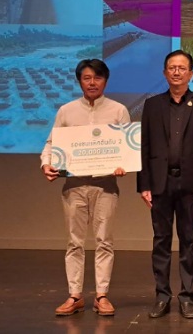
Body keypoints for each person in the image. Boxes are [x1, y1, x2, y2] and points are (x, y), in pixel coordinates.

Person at [40, 58, 131, 316]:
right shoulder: (66, 111)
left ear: (106, 81)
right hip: (74, 185)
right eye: (87, 78)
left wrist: (123, 164)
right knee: (74, 242)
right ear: (79, 81)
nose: (92, 83)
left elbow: (127, 148)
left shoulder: (118, 110)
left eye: (97, 78)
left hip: (106, 185)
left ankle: (101, 296)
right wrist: (46, 163)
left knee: (104, 241)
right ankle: (75, 295)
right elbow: (51, 143)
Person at [137, 49, 193, 320]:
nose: (176, 72)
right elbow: (144, 147)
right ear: (164, 73)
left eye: (182, 68)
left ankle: (187, 296)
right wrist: (143, 184)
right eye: (172, 67)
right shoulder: (152, 105)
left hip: (191, 184)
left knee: (188, 240)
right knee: (161, 241)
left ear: (191, 74)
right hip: (159, 183)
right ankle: (162, 295)